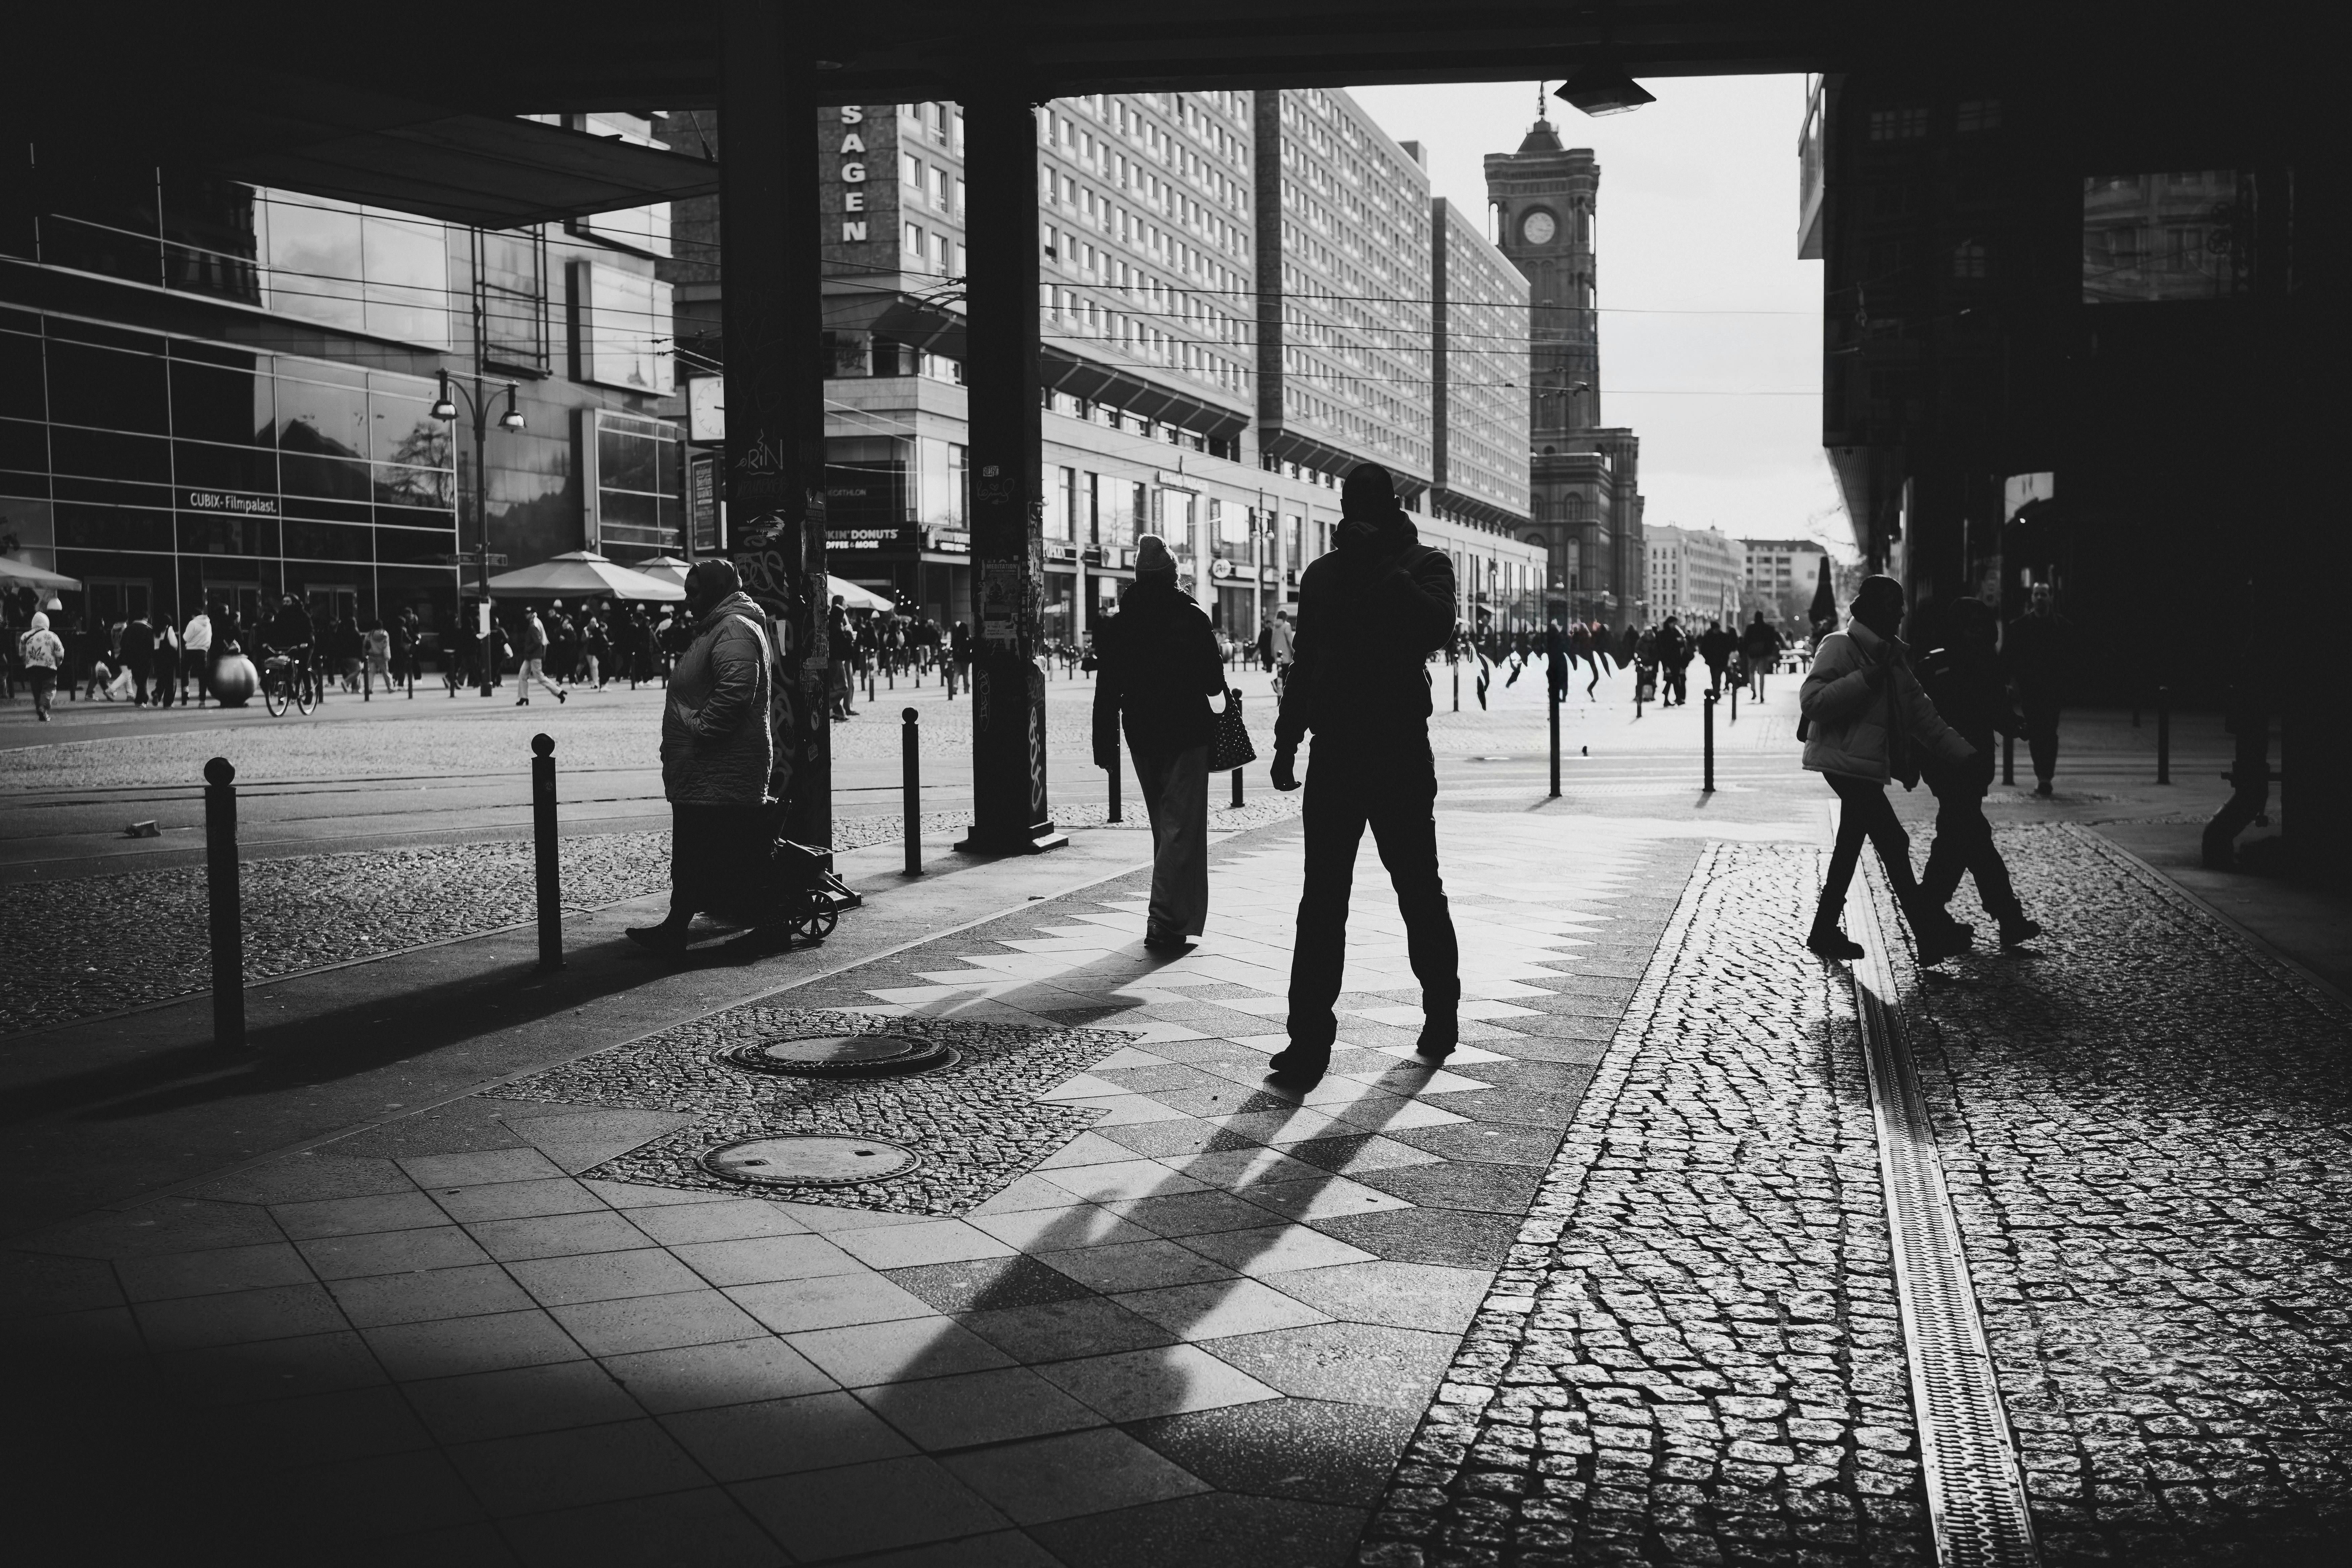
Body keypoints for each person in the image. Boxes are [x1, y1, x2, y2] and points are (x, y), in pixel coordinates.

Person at [1268, 463, 1462, 1080]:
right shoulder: (1322, 576)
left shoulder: (1424, 563)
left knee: (1417, 889)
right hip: (1336, 751)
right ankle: (1308, 1039)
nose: (1353, 513)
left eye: (1364, 504)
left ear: (1384, 508)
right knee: (1321, 899)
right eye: (1348, 502)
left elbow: (1436, 627)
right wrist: (1285, 738)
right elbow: (1306, 661)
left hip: (1399, 748)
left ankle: (1441, 1009)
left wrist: (1381, 564)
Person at [1800, 575, 1978, 963]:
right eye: (1893, 604)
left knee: (1857, 846)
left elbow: (1925, 718)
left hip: (1864, 768)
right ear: (1873, 610)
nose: (1900, 612)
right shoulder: (1840, 646)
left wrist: (1965, 755)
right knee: (1893, 844)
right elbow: (1812, 703)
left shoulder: (1891, 659)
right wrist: (1864, 679)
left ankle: (1825, 930)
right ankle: (1929, 937)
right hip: (1844, 764)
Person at [628, 559, 777, 955]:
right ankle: (675, 928)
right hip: (705, 768)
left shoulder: (734, 629)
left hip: (722, 764)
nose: (688, 599)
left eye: (695, 591)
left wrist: (698, 728)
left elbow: (735, 692)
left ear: (715, 590)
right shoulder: (717, 628)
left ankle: (769, 926)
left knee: (733, 853)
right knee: (694, 853)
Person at [1093, 534, 1229, 949]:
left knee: (1165, 826)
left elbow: (1107, 686)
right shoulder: (1190, 615)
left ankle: (1172, 915)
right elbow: (1212, 681)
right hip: (1186, 732)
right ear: (1173, 575)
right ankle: (1165, 920)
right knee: (1180, 828)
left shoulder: (1121, 622)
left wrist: (1104, 743)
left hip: (1141, 733)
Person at [1918, 598, 2041, 946]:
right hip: (1949, 765)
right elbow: (1922, 717)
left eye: (1980, 627)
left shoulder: (1980, 662)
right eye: (1970, 626)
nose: (1976, 633)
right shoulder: (1938, 665)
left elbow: (1995, 709)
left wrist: (2014, 724)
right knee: (1970, 837)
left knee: (1961, 838)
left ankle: (1933, 911)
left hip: (1972, 766)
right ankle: (1999, 916)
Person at [2003, 582, 2070, 797]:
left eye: (2044, 594)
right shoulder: (2019, 627)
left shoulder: (2063, 627)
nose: (2040, 598)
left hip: (2053, 690)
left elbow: (2072, 658)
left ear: (2050, 598)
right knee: (2035, 731)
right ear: (2032, 598)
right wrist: (2009, 682)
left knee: (2049, 733)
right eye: (2037, 594)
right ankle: (2043, 775)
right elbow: (2008, 658)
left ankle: (2045, 777)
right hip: (2030, 689)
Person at [18, 611, 63, 721]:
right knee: (50, 688)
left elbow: (21, 653)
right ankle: (44, 708)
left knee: (36, 690)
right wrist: (58, 663)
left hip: (32, 668)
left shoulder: (25, 636)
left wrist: (27, 662)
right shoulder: (52, 636)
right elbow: (60, 652)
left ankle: (40, 710)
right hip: (49, 667)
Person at [514, 608, 565, 706]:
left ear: (533, 614)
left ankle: (559, 692)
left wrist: (528, 649)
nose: (526, 615)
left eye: (528, 613)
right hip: (531, 656)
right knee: (522, 676)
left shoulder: (534, 625)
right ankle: (524, 697)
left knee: (540, 678)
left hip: (534, 656)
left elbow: (538, 642)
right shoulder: (536, 623)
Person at [1742, 611, 1783, 701]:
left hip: (1753, 654)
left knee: (1752, 672)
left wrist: (1747, 652)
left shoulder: (1751, 628)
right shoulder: (1768, 628)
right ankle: (1762, 694)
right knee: (1762, 675)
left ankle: (1753, 690)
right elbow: (1772, 641)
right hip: (1763, 654)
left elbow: (1746, 641)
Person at [182, 604, 213, 706]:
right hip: (203, 652)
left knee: (186, 670)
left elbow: (186, 638)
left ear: (194, 615)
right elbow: (210, 638)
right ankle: (202, 701)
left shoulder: (193, 623)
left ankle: (186, 690)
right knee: (202, 676)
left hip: (190, 651)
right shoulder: (208, 624)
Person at [1657, 617, 1689, 706]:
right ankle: (1677, 698)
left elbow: (1682, 641)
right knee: (1673, 679)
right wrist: (1665, 663)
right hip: (1668, 660)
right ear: (1669, 623)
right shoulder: (1664, 633)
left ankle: (1669, 699)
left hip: (1676, 660)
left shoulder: (1675, 632)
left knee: (1671, 679)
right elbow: (1663, 648)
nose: (1675, 625)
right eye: (1674, 623)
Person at [1700, 619, 1734, 699]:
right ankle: (1716, 692)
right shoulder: (1708, 637)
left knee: (1717, 677)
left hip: (1721, 661)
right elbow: (1704, 650)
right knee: (1714, 678)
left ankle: (1716, 693)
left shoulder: (1723, 636)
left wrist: (1725, 657)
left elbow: (1728, 648)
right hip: (1712, 662)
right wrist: (1707, 658)